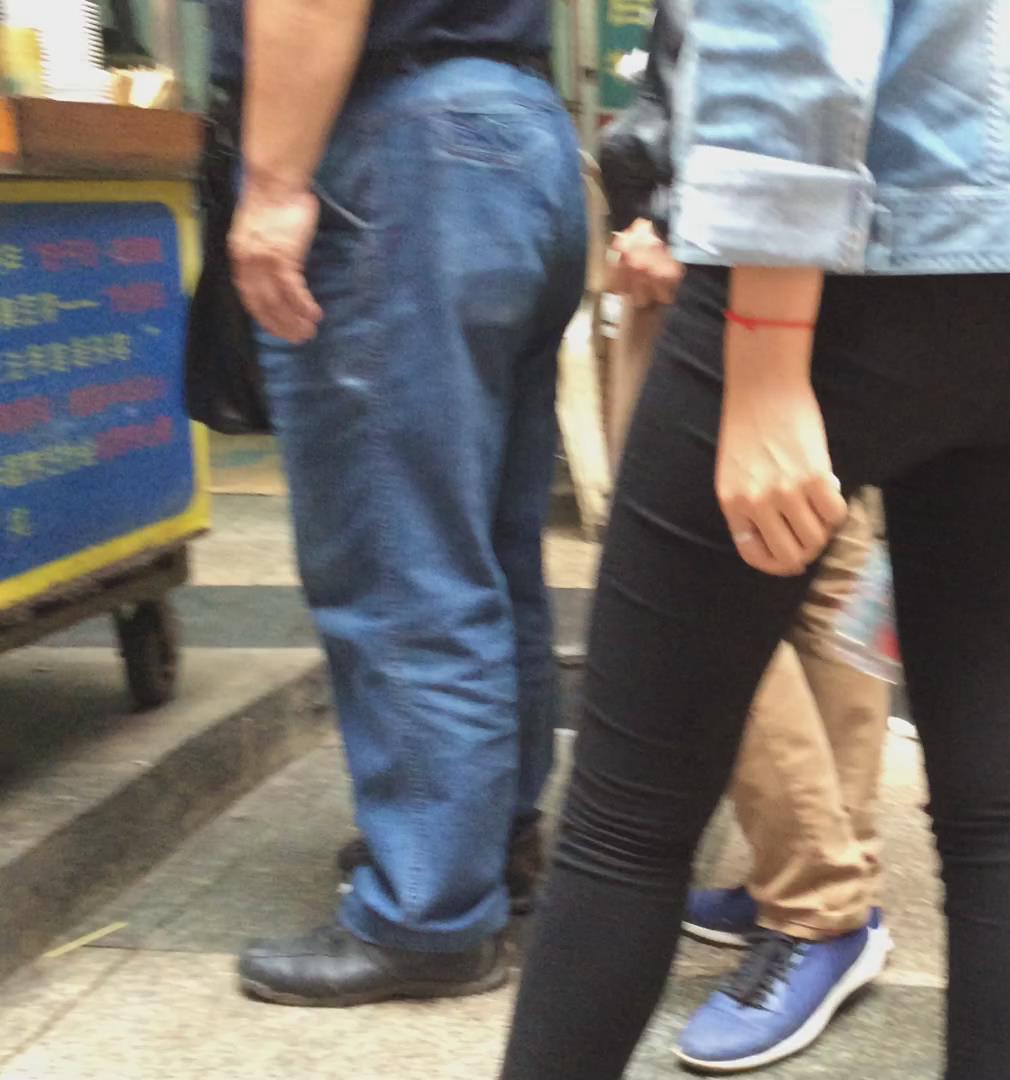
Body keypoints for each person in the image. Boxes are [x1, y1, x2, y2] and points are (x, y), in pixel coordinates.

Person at [497, 1, 1010, 1077]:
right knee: (1004, 807)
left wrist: (766, 355)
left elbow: (797, 24)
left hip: (839, 274)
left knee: (628, 820)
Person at [217, 0, 586, 1005]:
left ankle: (428, 911)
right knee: (487, 542)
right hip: (515, 132)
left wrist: (272, 187)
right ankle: (487, 841)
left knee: (399, 552)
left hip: (402, 149)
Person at [596, 12, 898, 1068]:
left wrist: (664, 216)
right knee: (828, 558)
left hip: (740, 247)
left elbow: (764, 47)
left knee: (695, 587)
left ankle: (818, 904)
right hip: (866, 246)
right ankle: (835, 865)